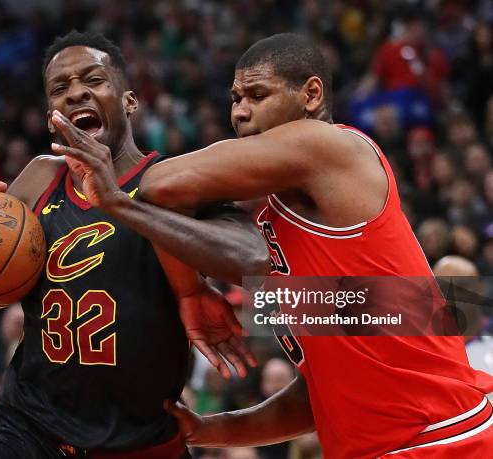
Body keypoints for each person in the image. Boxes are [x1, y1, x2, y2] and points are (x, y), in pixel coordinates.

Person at [133, 33, 493, 458]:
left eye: (256, 94)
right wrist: (206, 430)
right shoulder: (276, 224)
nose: (239, 112)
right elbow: (319, 391)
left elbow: (159, 185)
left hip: (442, 438)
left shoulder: (330, 146)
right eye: (234, 98)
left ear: (312, 94)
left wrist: (188, 287)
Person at [0, 31, 268, 458]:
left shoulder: (173, 183)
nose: (76, 92)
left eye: (93, 80)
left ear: (129, 101)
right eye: (59, 89)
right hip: (27, 430)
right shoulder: (41, 178)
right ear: (51, 118)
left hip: (139, 443)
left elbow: (257, 259)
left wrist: (124, 206)